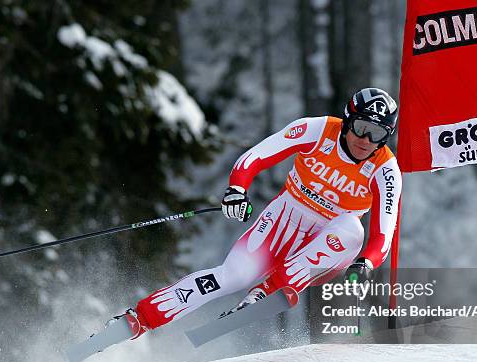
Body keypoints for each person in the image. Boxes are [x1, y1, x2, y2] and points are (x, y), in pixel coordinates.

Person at [123, 87, 402, 338]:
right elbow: (255, 156)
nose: (366, 140)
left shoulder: (386, 170)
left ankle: (264, 294)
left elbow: (383, 236)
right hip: (285, 218)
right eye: (361, 127)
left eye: (377, 134)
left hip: (330, 243)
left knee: (353, 229)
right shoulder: (317, 130)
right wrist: (236, 190)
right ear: (347, 121)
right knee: (232, 276)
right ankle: (141, 318)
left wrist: (366, 263)